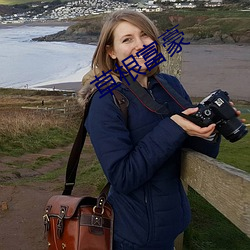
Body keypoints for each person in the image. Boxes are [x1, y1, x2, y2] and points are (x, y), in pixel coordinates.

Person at [78, 10, 240, 250]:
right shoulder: (106, 100)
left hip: (172, 226)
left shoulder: (169, 85)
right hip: (133, 236)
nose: (140, 45)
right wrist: (174, 126)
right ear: (111, 52)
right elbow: (122, 176)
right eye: (127, 39)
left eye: (145, 35)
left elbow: (197, 152)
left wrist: (212, 126)